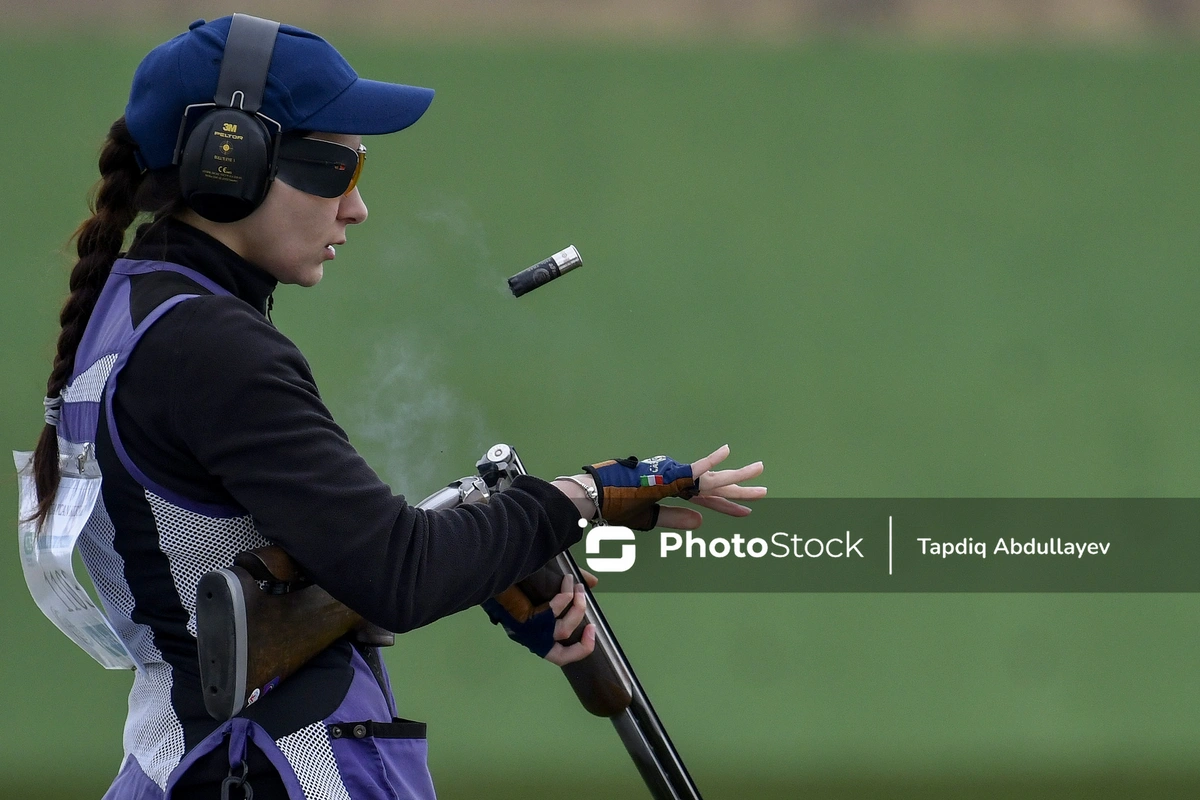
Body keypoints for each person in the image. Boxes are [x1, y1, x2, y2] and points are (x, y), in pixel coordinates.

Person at [27, 14, 765, 800]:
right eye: (337, 167)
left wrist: (496, 555)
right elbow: (396, 571)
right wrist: (585, 494)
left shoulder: (139, 310)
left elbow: (256, 570)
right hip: (282, 767)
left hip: (187, 763)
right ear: (228, 162)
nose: (356, 207)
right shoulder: (210, 344)